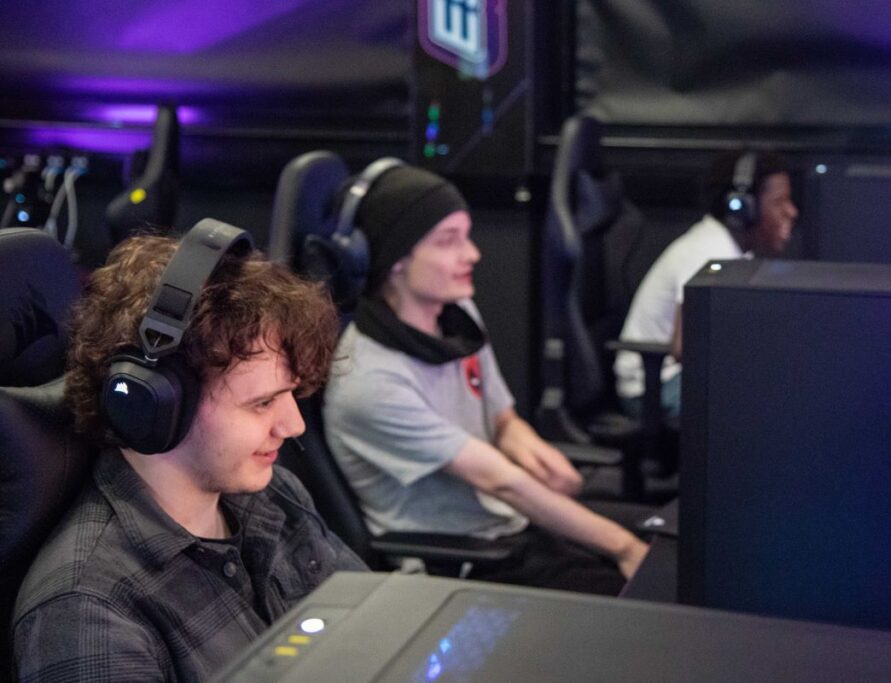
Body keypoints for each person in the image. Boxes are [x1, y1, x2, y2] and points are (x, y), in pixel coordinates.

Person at [12, 224, 367, 682]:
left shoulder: (274, 494)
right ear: (154, 405)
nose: (294, 426)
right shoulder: (89, 613)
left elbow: (372, 621)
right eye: (263, 403)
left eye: (290, 395)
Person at [322, 164, 649, 596]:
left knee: (670, 547)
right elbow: (501, 481)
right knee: (639, 591)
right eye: (448, 241)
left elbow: (502, 418)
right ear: (392, 259)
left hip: (512, 524)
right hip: (465, 561)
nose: (472, 254)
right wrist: (625, 548)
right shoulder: (371, 382)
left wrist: (530, 448)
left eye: (467, 235)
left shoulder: (458, 317)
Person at [614, 150, 799, 418]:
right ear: (742, 207)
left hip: (678, 377)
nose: (792, 211)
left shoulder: (730, 250)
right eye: (779, 202)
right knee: (766, 403)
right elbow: (687, 347)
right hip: (653, 387)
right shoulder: (708, 252)